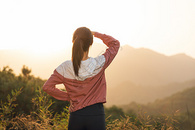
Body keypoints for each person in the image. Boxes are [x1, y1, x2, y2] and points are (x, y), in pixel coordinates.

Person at [42, 27, 120, 130]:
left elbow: (47, 87)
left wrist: (69, 97)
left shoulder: (65, 67)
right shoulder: (99, 63)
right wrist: (96, 34)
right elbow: (115, 44)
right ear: (90, 43)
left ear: (74, 42)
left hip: (76, 116)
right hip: (96, 115)